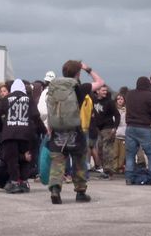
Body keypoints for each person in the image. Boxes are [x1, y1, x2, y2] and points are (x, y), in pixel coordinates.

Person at [47, 60, 104, 204]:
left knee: (57, 163)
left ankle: (55, 189)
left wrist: (50, 128)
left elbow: (51, 109)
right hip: (75, 132)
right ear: (77, 73)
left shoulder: (54, 87)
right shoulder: (80, 87)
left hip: (57, 131)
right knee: (79, 162)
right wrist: (88, 69)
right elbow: (100, 82)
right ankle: (80, 193)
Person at [0, 79, 42, 193]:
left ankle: (14, 182)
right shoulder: (29, 100)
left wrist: (2, 127)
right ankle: (24, 181)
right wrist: (42, 130)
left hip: (9, 134)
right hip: (26, 134)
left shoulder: (6, 99)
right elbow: (36, 116)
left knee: (12, 159)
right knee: (26, 158)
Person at [125, 76, 151, 186]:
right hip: (144, 127)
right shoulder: (149, 95)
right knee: (150, 154)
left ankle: (129, 178)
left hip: (130, 127)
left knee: (130, 154)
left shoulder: (129, 94)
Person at [93, 85, 121, 178]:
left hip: (108, 128)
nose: (105, 92)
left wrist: (115, 128)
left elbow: (117, 115)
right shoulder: (94, 101)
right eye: (103, 90)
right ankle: (105, 170)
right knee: (100, 150)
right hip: (99, 129)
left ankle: (109, 171)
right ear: (97, 91)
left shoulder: (109, 102)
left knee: (107, 150)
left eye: (106, 90)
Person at [113, 93, 127, 174]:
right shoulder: (114, 110)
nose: (120, 101)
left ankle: (120, 167)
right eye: (118, 99)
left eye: (121, 99)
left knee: (122, 154)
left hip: (124, 134)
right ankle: (114, 167)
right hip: (116, 133)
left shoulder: (127, 110)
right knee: (115, 152)